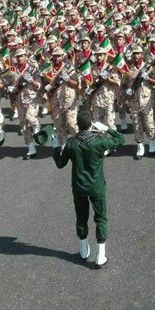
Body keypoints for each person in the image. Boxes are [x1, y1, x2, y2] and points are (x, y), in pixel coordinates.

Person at [53, 110, 125, 268]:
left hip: (79, 187)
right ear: (91, 124)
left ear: (77, 125)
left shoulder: (71, 143)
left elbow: (60, 164)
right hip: (96, 186)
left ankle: (84, 251)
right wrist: (106, 128)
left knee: (81, 217)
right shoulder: (99, 141)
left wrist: (56, 149)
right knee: (100, 218)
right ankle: (100, 256)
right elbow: (121, 139)